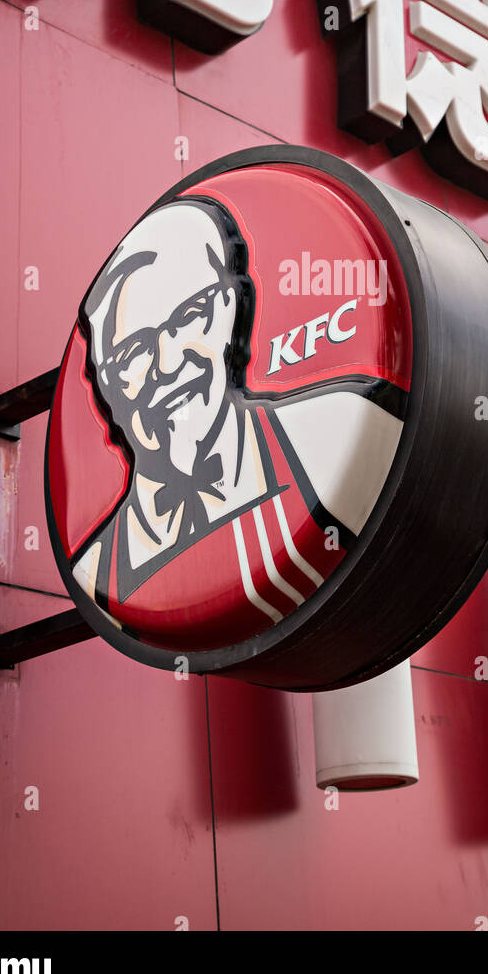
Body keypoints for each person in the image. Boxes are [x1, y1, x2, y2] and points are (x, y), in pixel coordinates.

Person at [68, 195, 405, 651]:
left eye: (188, 317)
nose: (167, 362)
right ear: (106, 384)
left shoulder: (344, 433)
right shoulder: (95, 570)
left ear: (229, 308)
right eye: (134, 352)